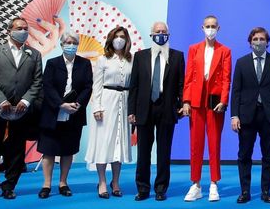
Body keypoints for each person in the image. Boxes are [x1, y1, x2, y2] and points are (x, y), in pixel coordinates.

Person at [0, 17, 43, 201]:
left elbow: (37, 81)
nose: (23, 31)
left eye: (25, 28)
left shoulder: (35, 54)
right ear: (10, 30)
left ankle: (9, 185)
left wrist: (26, 101)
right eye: (19, 28)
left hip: (21, 111)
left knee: (16, 150)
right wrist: (1, 101)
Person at [128, 21, 186, 201]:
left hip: (167, 108)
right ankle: (143, 188)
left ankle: (161, 188)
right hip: (144, 108)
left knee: (164, 151)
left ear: (168, 34)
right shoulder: (140, 57)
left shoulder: (177, 56)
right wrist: (131, 111)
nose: (161, 34)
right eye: (157, 31)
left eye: (164, 31)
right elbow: (134, 86)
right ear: (151, 34)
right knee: (143, 151)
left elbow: (181, 85)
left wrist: (183, 104)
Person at [230, 27, 270, 203]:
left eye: (262, 39)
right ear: (250, 42)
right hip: (246, 115)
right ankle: (245, 191)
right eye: (255, 39)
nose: (258, 42)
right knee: (244, 155)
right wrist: (234, 116)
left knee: (268, 156)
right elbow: (236, 92)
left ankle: (265, 191)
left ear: (267, 42)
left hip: (269, 116)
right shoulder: (241, 63)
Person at [37, 31, 94, 198]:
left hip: (74, 113)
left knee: (68, 150)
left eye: (74, 42)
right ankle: (46, 184)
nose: (71, 45)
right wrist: (61, 104)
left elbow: (88, 87)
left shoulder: (85, 64)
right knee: (49, 150)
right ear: (62, 45)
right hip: (53, 112)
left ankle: (63, 183)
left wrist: (77, 104)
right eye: (67, 42)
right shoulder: (52, 63)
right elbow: (47, 86)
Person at [181, 15, 232, 202]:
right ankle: (195, 184)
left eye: (213, 26)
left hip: (214, 103)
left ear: (219, 28)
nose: (210, 29)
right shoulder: (193, 49)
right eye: (207, 26)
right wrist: (185, 101)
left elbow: (227, 79)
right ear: (202, 28)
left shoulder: (225, 51)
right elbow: (188, 77)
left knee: (214, 143)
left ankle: (213, 183)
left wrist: (224, 100)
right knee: (195, 145)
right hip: (196, 101)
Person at [86, 26, 135, 198]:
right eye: (116, 36)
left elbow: (134, 85)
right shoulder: (103, 60)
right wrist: (97, 107)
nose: (119, 39)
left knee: (119, 143)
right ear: (111, 39)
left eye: (122, 36)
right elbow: (97, 85)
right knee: (103, 142)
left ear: (127, 39)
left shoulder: (131, 59)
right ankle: (102, 182)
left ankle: (116, 182)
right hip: (106, 102)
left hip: (125, 102)